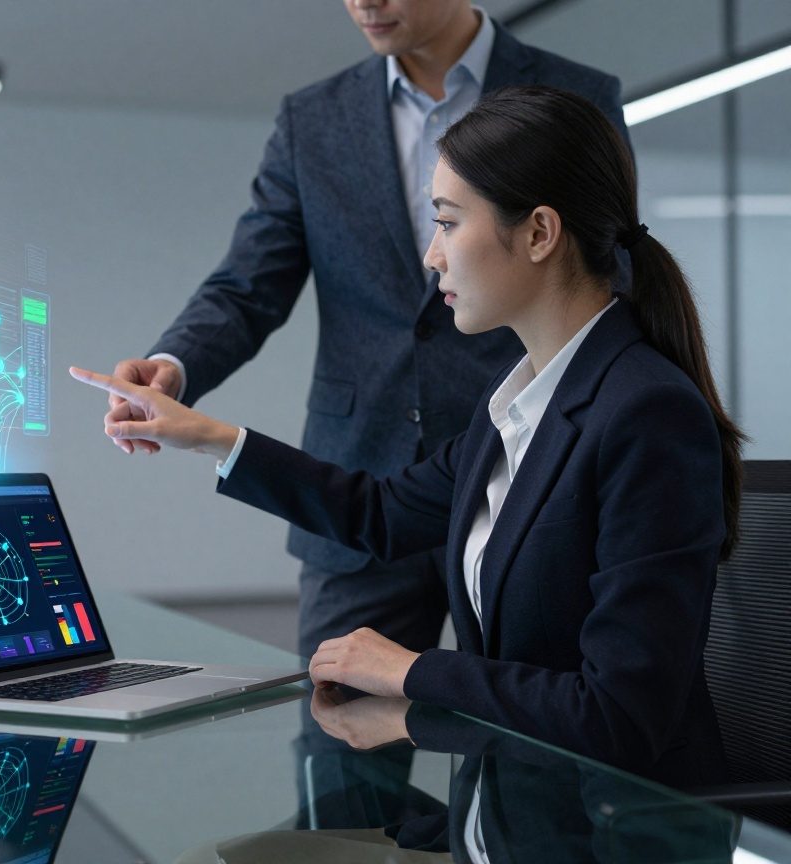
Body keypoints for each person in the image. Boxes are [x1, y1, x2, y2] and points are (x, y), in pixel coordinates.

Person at [71, 85, 743, 787]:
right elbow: (380, 513)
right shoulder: (516, 407)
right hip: (515, 808)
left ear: (541, 233)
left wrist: (414, 675)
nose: (432, 255)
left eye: (449, 223)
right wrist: (209, 437)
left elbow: (617, 717)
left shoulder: (645, 416)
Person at [101, 0, 630, 661]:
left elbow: (607, 276)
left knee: (533, 732)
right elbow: (249, 282)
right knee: (336, 732)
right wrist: (174, 367)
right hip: (361, 472)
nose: (362, 3)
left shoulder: (575, 95)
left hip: (525, 467)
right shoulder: (312, 119)